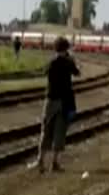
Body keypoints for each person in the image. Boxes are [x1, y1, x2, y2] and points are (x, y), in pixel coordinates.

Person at [29, 36, 79, 173]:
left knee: (46, 130)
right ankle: (55, 163)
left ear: (55, 48)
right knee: (60, 131)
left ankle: (40, 161)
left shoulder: (52, 62)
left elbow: (43, 71)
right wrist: (72, 60)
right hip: (64, 101)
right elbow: (77, 73)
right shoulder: (69, 62)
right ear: (66, 48)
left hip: (51, 100)